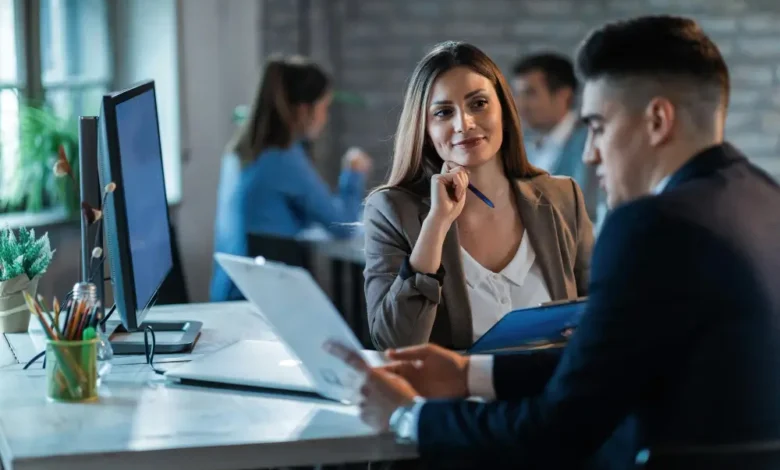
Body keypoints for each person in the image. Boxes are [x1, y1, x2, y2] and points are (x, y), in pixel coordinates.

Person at [329, 15, 780, 470]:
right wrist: (470, 373)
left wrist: (410, 417)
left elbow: (560, 426)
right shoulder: (765, 200)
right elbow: (608, 359)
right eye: (443, 112)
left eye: (598, 126)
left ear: (658, 120)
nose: (589, 152)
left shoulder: (648, 225)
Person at [362, 41, 594, 351]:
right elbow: (396, 344)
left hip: (549, 394)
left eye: (478, 103)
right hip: (456, 398)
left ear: (503, 109)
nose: (464, 124)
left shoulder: (562, 197)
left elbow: (599, 316)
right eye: (444, 112)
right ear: (425, 127)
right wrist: (436, 225)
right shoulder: (391, 210)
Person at [210, 56, 372, 302]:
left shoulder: (239, 153)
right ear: (303, 110)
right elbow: (341, 225)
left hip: (228, 294)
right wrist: (353, 174)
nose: (325, 118)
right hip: (263, 301)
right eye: (324, 107)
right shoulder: (284, 159)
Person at [512, 52, 604, 226]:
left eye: (530, 93)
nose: (519, 104)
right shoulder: (524, 146)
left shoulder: (593, 142)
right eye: (517, 94)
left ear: (564, 95)